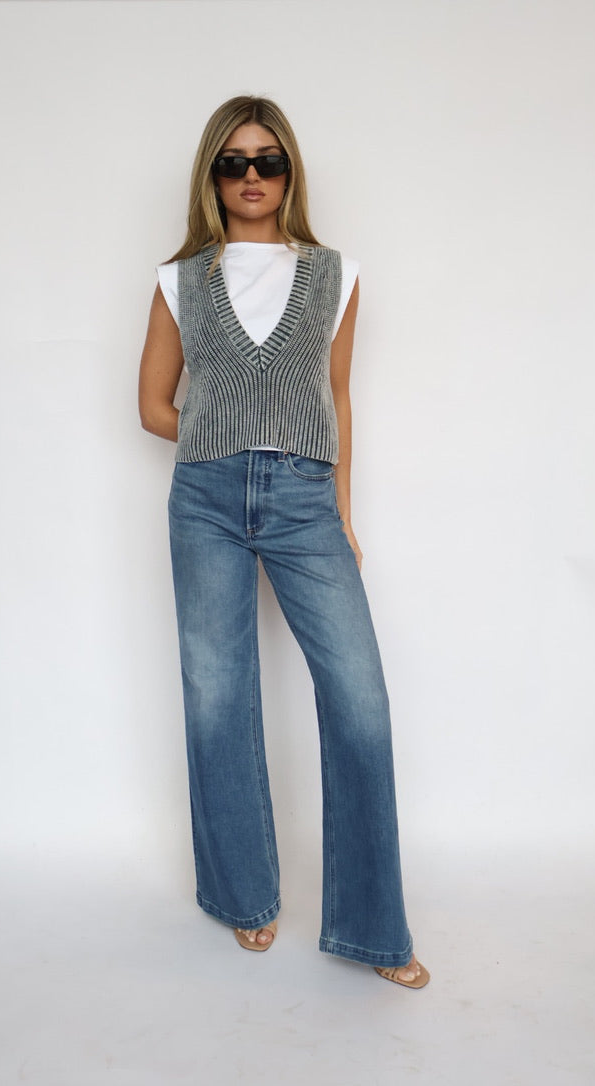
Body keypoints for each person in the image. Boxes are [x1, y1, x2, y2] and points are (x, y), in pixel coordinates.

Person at [138, 95, 429, 989]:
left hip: (306, 501)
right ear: (212, 176)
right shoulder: (179, 279)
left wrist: (341, 513)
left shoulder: (336, 274)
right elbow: (153, 406)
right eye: (233, 162)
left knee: (360, 703)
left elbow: (338, 401)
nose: (252, 175)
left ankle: (373, 930)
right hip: (206, 500)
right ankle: (245, 896)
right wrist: (222, 438)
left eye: (268, 159)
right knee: (217, 699)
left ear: (290, 171)